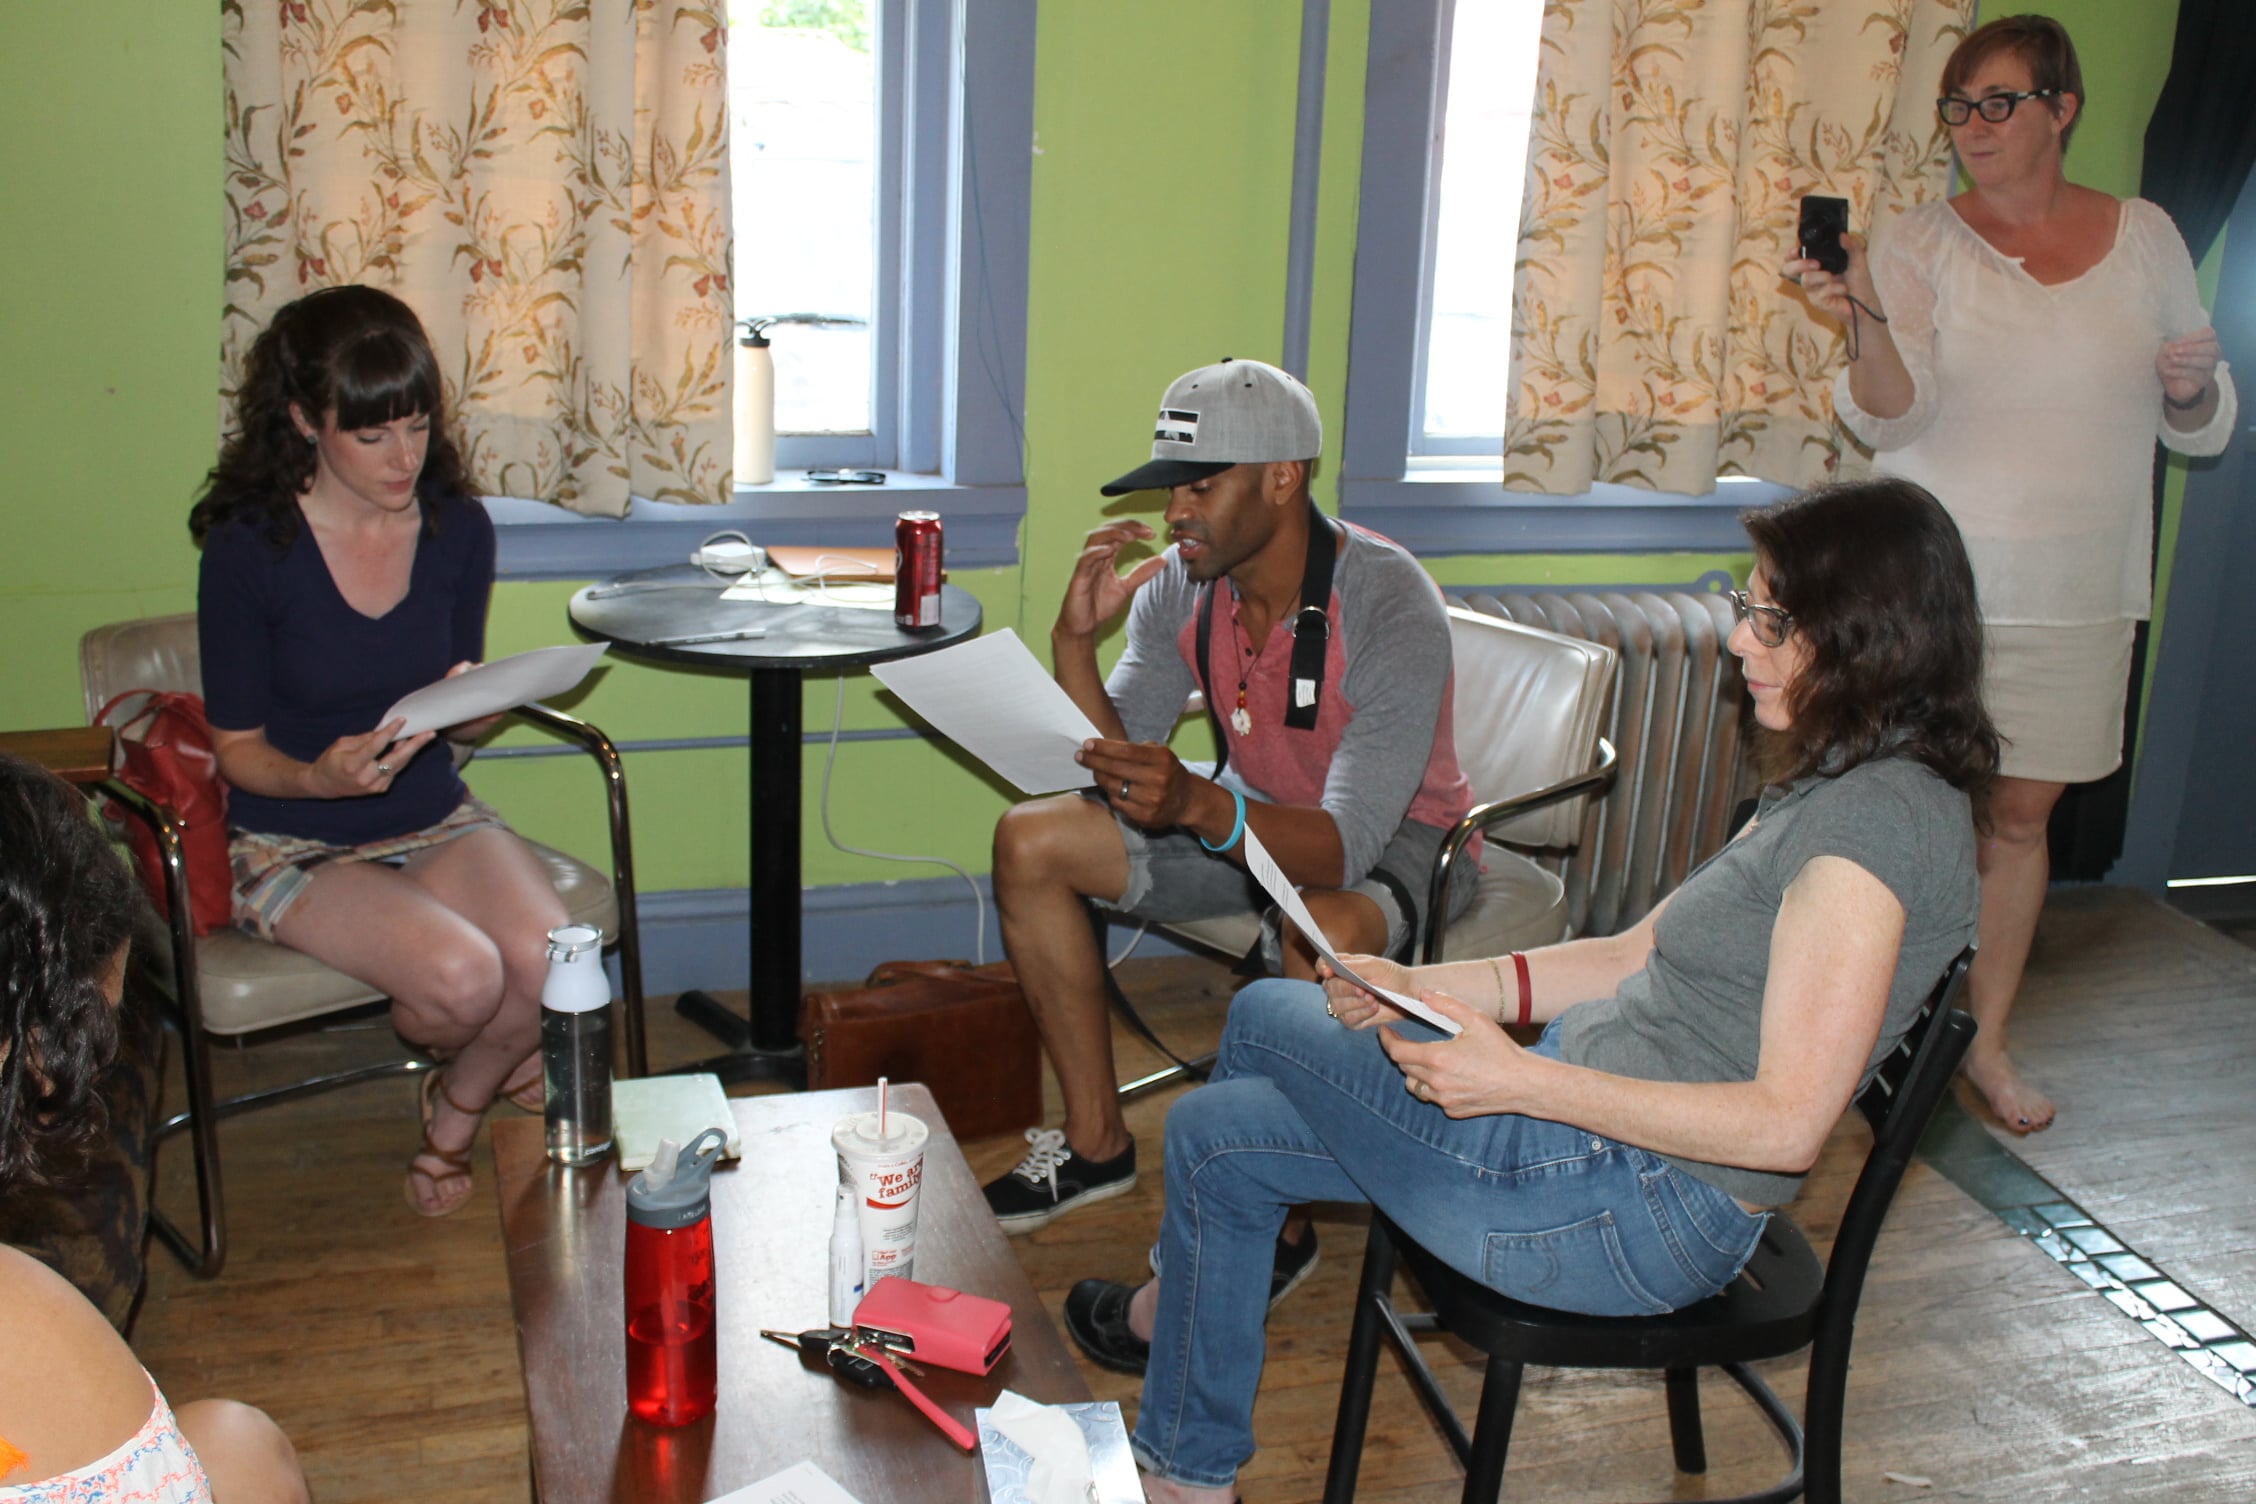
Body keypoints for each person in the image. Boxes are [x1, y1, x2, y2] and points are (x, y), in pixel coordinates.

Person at [1062, 480, 1996, 1501]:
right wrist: (1419, 982)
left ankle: (1182, 1392)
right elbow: (1636, 951)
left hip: (1622, 1211)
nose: (1737, 638)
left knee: (1257, 1022)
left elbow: (1785, 1128)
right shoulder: (1845, 781)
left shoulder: (1869, 841)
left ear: (1869, 642)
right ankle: (1189, 1473)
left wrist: (1516, 1083)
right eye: (1748, 602)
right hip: (1597, 1146)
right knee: (1220, 1135)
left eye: (1773, 617)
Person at [1788, 13, 2236, 1133]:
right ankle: (1855, 1033)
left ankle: (1983, 1042)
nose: (1973, 127)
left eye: (1998, 103)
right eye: (1958, 106)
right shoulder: (1918, 242)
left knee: (2022, 822)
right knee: (1905, 810)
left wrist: (2190, 385)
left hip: (2080, 588)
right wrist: (1862, 319)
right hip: (1941, 591)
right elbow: (1900, 414)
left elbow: (2203, 424)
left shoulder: (2149, 236)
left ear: (2062, 109)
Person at [983, 358, 1479, 1300]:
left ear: (1284, 477)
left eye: (1202, 486)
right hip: (1243, 810)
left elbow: (1345, 846)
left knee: (1314, 931)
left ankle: (1279, 1221)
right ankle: (1094, 1144)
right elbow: (1117, 759)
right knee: (1032, 839)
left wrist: (1201, 806)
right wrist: (1073, 646)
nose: (1176, 514)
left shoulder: (1386, 599)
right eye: (1175, 488)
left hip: (1398, 837)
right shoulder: (1185, 584)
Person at [192, 284, 566, 1218]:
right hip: (292, 830)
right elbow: (235, 749)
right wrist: (319, 775)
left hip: (428, 809)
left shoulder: (454, 526)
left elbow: (452, 695)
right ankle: (487, 1058)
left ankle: (454, 1110)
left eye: (417, 424)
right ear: (304, 422)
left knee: (558, 961)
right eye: (373, 436)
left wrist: (480, 706)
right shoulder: (251, 547)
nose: (407, 457)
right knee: (468, 979)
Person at [0, 753, 310, 1503]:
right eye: (75, 1050)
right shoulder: (28, 1324)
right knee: (241, 1447)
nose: (55, 1097)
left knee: (234, 1437)